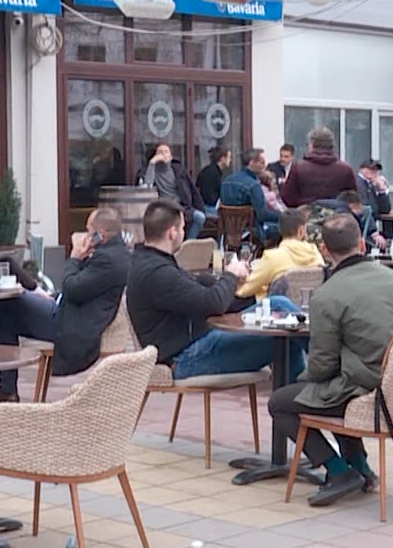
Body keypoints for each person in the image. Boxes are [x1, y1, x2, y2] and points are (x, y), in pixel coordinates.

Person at [273, 213, 393, 506]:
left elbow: (321, 366)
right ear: (362, 243)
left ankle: (339, 471)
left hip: (371, 394)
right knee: (331, 388)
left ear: (325, 251)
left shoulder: (327, 295)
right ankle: (361, 468)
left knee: (282, 402)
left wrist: (303, 379)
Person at [0, 208, 132, 406]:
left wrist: (75, 257)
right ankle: (7, 390)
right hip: (64, 310)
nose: (86, 235)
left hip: (70, 325)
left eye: (89, 231)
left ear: (101, 233)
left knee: (9, 299)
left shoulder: (109, 259)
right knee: (5, 315)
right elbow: (80, 288)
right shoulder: (111, 253)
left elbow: (72, 288)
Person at [127, 202, 303, 380]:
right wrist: (231, 275)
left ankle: (302, 387)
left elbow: (193, 291)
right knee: (284, 325)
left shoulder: (152, 263)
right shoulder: (157, 271)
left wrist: (228, 281)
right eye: (182, 228)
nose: (184, 233)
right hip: (186, 357)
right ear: (172, 232)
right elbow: (214, 303)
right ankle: (319, 359)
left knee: (280, 312)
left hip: (197, 344)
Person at [237, 207, 323, 300]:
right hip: (310, 305)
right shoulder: (315, 252)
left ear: (280, 230)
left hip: (278, 308)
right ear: (301, 230)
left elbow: (244, 291)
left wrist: (236, 278)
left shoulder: (272, 257)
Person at [281, 126, 359, 210]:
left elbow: (288, 197)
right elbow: (353, 199)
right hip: (337, 215)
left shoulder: (299, 167)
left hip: (306, 215)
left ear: (312, 144)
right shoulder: (346, 169)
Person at [220, 148, 272, 238]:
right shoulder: (253, 185)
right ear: (251, 163)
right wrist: (284, 216)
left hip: (228, 233)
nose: (264, 166)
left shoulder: (226, 181)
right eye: (262, 162)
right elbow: (263, 215)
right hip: (251, 233)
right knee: (286, 227)